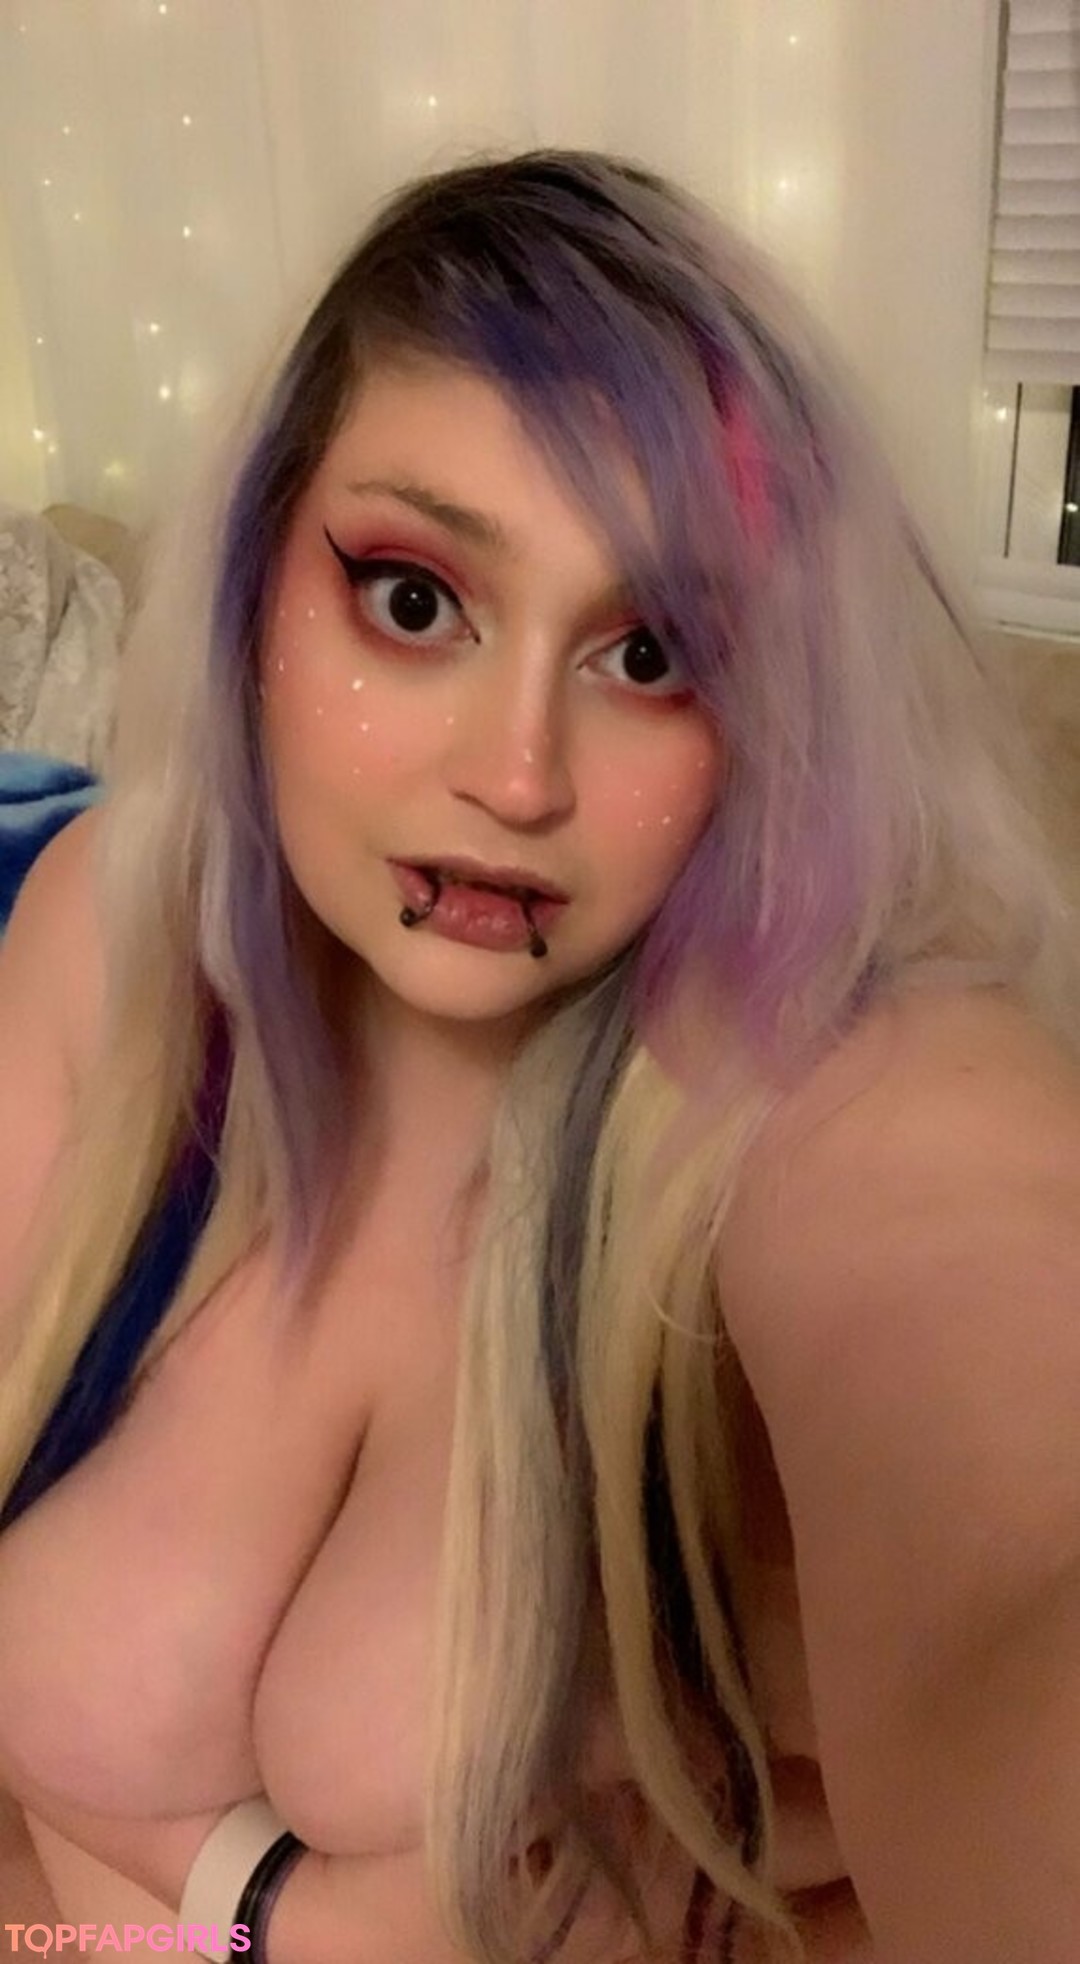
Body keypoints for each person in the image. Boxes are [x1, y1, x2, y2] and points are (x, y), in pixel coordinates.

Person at [0, 145, 1078, 1964]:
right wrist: (296, 1909)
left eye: (652, 651)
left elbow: (1018, 1532)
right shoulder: (121, 938)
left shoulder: (827, 1089)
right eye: (416, 602)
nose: (517, 777)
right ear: (254, 594)